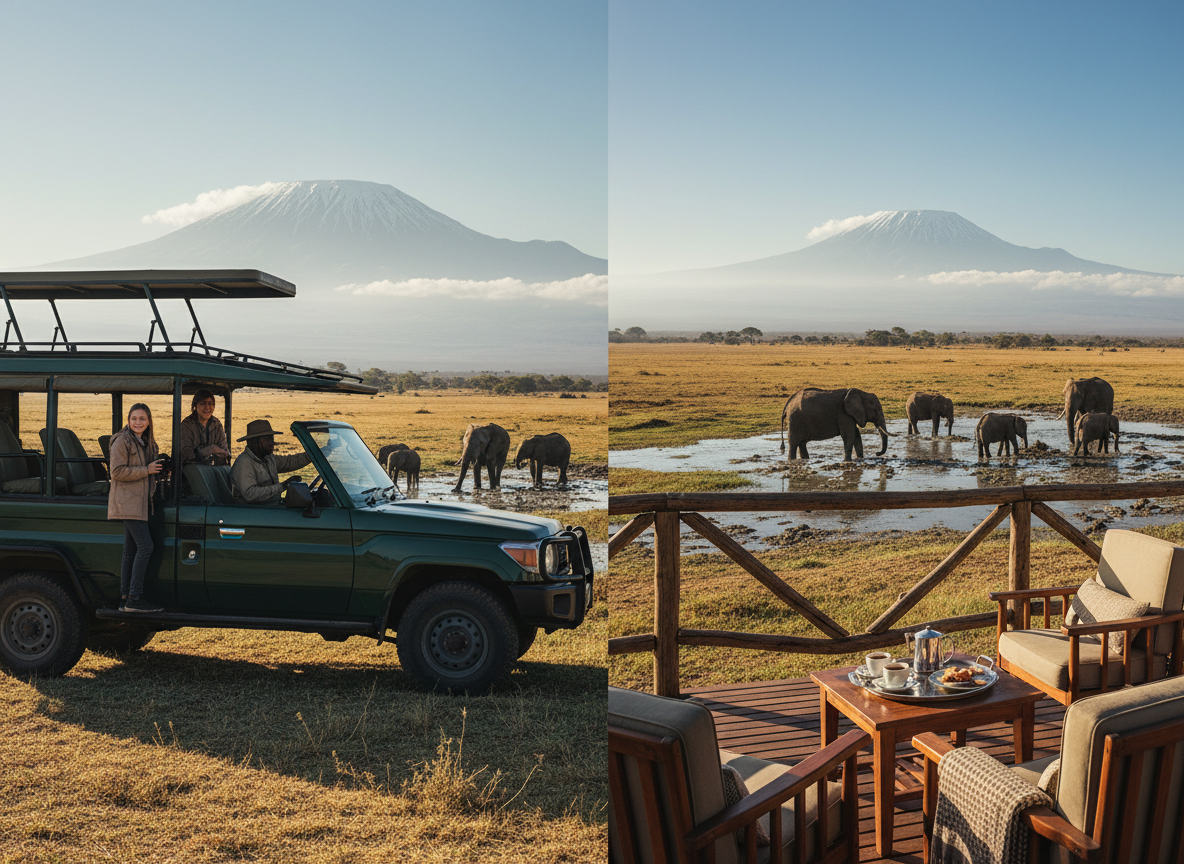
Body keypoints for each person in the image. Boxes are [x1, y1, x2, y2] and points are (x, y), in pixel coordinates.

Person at [107, 403, 167, 613]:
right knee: (145, 547)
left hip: (140, 502)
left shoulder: (146, 442)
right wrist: (146, 470)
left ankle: (125, 598)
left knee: (130, 550)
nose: (138, 422)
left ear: (149, 421)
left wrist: (158, 472)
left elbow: (147, 472)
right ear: (128, 419)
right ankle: (135, 598)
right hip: (128, 502)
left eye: (142, 419)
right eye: (134, 418)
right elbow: (116, 472)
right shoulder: (122, 441)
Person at [230, 419, 313, 504]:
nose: (273, 443)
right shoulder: (244, 463)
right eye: (269, 439)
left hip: (270, 509)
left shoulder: (268, 458)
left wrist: (315, 454)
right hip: (253, 513)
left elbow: (290, 462)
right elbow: (250, 494)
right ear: (256, 442)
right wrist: (283, 486)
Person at [177, 389, 230, 466]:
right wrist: (209, 450)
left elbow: (225, 452)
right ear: (195, 405)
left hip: (212, 470)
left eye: (210, 403)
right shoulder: (187, 425)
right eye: (203, 404)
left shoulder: (216, 424)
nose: (207, 407)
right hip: (191, 471)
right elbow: (186, 455)